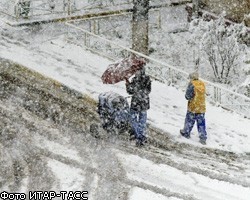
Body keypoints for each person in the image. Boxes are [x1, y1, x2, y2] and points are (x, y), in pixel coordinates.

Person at [125, 67, 151, 146]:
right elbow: (148, 90)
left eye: (137, 70)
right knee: (142, 120)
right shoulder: (147, 79)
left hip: (136, 102)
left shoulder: (135, 80)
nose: (136, 72)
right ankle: (141, 135)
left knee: (133, 119)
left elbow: (130, 91)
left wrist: (128, 85)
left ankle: (138, 136)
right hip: (144, 102)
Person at [180, 72, 207, 145]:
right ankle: (203, 137)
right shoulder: (202, 83)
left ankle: (186, 132)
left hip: (193, 106)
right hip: (201, 107)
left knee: (189, 120)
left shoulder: (192, 84)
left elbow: (188, 96)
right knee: (201, 123)